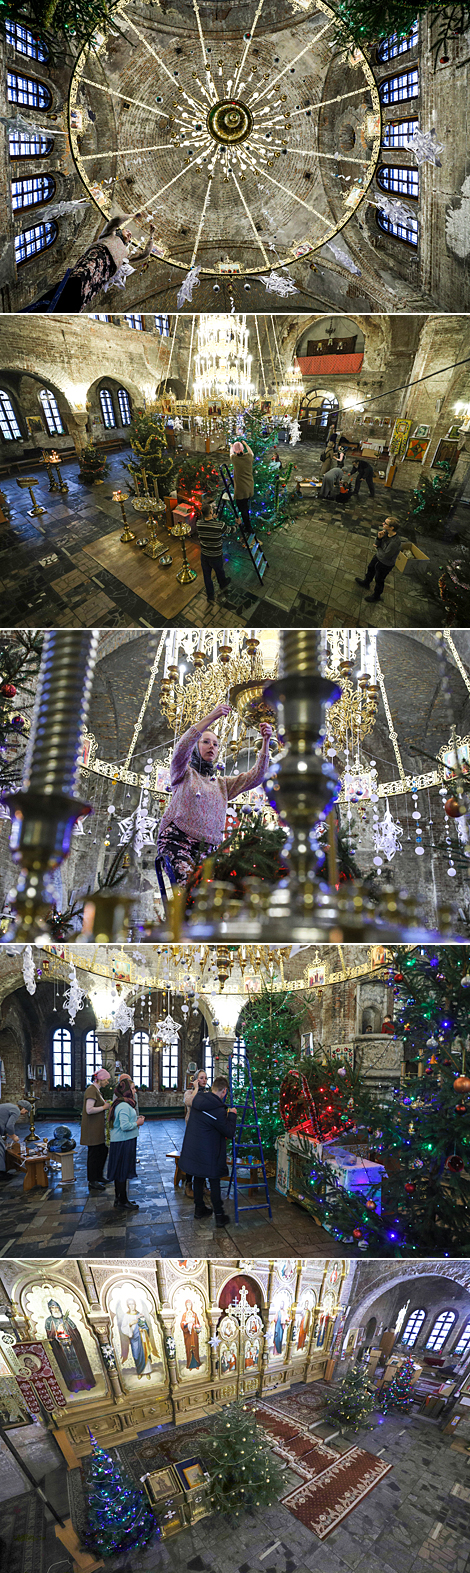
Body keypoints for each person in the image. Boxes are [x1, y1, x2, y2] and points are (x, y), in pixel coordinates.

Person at [155, 702, 273, 884]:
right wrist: (213, 716)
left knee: (215, 897)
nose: (212, 746)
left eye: (216, 744)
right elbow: (181, 748)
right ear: (196, 746)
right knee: (190, 892)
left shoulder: (222, 785)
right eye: (206, 741)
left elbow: (255, 777)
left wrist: (265, 742)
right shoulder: (184, 773)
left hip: (208, 850)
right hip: (177, 841)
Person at [53, 214, 156, 313]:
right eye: (128, 231)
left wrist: (151, 235)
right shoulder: (109, 234)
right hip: (94, 261)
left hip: (102, 276)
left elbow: (144, 254)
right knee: (76, 282)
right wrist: (132, 216)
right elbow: (116, 220)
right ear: (120, 230)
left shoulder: (125, 253)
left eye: (130, 236)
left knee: (81, 298)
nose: (129, 234)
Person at [179, 1075, 237, 1227]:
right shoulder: (217, 1110)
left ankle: (199, 1209)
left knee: (198, 1177)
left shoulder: (197, 1100)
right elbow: (229, 1132)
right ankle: (219, 1216)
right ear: (224, 1091)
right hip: (209, 1151)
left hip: (194, 1148)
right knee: (214, 1180)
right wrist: (232, 1115)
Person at [107, 1074, 145, 1209]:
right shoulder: (123, 1105)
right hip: (123, 1141)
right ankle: (122, 1201)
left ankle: (120, 1199)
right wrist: (137, 1123)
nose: (135, 1091)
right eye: (133, 1088)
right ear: (127, 1090)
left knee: (120, 1171)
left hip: (123, 1141)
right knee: (122, 1171)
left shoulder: (124, 1103)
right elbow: (124, 1126)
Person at [355, 515, 403, 603]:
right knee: (370, 568)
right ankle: (366, 582)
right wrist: (379, 538)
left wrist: (378, 547)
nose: (383, 524)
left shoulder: (394, 543)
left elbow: (385, 555)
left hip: (385, 564)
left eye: (385, 523)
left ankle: (376, 596)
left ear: (391, 527)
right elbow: (378, 544)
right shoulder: (385, 533)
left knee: (379, 579)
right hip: (378, 557)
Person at [80, 1067, 112, 1192]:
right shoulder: (91, 1090)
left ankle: (99, 1176)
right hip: (91, 1129)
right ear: (101, 1079)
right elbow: (89, 1110)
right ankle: (92, 1180)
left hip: (97, 1128)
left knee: (102, 1151)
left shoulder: (97, 1090)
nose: (108, 1082)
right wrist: (104, 1107)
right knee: (93, 1154)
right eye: (107, 1080)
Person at [195, 499, 232, 602]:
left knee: (207, 575)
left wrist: (213, 519)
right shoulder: (219, 525)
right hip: (216, 555)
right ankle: (223, 583)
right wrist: (238, 524)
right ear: (211, 512)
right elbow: (230, 530)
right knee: (219, 570)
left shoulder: (199, 524)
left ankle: (210, 595)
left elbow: (208, 525)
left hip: (204, 555)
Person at [182, 1070, 208, 1198]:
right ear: (196, 1080)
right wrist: (196, 1088)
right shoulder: (189, 1093)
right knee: (191, 1158)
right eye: (201, 1078)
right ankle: (188, 1184)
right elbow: (190, 1102)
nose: (204, 1080)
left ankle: (203, 1184)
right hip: (192, 1131)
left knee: (203, 1158)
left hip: (204, 1131)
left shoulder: (208, 1094)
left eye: (206, 1078)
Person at [0, 1099, 30, 1180]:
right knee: (1, 1148)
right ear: (23, 1108)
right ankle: (1, 1173)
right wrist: (13, 1136)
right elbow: (10, 1125)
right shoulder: (16, 1110)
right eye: (26, 1111)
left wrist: (8, 1134)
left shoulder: (10, 1106)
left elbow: (3, 1121)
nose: (25, 1113)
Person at [231, 437, 254, 532]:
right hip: (249, 487)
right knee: (245, 506)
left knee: (242, 507)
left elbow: (230, 453)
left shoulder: (234, 459)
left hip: (241, 489)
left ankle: (247, 527)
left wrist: (231, 446)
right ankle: (246, 524)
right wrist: (245, 444)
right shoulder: (249, 457)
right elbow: (251, 452)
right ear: (242, 449)